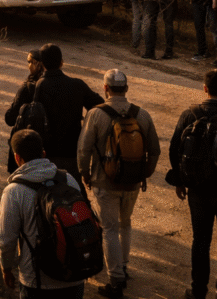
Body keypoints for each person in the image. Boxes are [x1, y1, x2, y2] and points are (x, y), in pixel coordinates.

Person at [76, 70, 160, 298]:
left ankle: (116, 280)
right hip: (132, 183)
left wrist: (84, 173)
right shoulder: (142, 114)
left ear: (105, 88)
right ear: (127, 88)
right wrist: (144, 174)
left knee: (110, 229)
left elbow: (84, 148)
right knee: (126, 224)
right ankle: (123, 266)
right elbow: (154, 150)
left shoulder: (96, 114)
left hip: (105, 182)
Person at [0, 129, 87, 298]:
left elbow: (6, 238)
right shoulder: (68, 180)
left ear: (17, 158)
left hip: (36, 281)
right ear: (44, 153)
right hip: (73, 275)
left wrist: (6, 268)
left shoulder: (14, 191)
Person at [168, 69, 217, 299]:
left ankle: (198, 290)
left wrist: (180, 181)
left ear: (205, 88)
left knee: (201, 241)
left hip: (198, 188)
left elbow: (174, 148)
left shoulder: (191, 114)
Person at [31, 43, 104, 193]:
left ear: (42, 64)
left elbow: (37, 116)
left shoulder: (41, 85)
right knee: (75, 194)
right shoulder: (77, 85)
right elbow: (100, 106)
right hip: (72, 150)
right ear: (62, 62)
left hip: (49, 152)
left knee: (50, 196)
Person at [4, 49, 45, 172]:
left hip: (24, 141)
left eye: (29, 62)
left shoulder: (27, 88)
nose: (28, 65)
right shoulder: (55, 87)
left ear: (36, 63)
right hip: (46, 144)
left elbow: (10, 118)